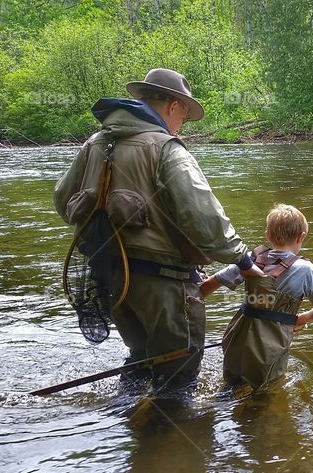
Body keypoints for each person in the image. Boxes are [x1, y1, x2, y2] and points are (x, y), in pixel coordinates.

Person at [54, 68, 264, 391]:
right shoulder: (166, 149)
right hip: (163, 287)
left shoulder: (95, 143)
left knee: (141, 357)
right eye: (184, 114)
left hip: (112, 281)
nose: (183, 124)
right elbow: (204, 217)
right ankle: (165, 434)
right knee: (179, 375)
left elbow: (61, 200)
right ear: (172, 106)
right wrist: (243, 259)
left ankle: (128, 429)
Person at [201, 203, 313, 390]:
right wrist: (297, 320)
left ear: (267, 235)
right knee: (266, 393)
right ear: (301, 237)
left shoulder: (251, 261)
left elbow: (208, 285)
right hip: (271, 345)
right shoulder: (305, 269)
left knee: (230, 387)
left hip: (237, 337)